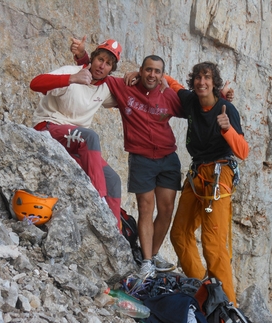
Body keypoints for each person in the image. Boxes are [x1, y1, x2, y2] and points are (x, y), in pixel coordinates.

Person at [71, 36, 184, 277]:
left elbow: (195, 106)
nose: (152, 75)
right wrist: (81, 55)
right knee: (146, 208)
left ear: (163, 75)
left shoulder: (169, 95)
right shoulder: (124, 87)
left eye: (157, 72)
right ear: (140, 71)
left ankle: (152, 256)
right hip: (142, 158)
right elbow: (95, 73)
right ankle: (146, 261)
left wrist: (223, 99)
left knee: (166, 210)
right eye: (148, 70)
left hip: (168, 158)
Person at [164, 62, 249, 305]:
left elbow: (243, 151)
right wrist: (138, 74)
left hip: (220, 172)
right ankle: (205, 292)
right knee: (179, 234)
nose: (202, 82)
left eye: (207, 78)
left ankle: (226, 309)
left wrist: (227, 130)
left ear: (215, 82)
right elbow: (170, 82)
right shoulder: (190, 101)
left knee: (213, 246)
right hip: (198, 170)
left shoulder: (226, 108)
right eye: (198, 77)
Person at [30, 39, 123, 231]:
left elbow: (128, 96)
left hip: (74, 140)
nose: (102, 65)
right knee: (89, 136)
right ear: (93, 58)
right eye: (100, 59)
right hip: (48, 126)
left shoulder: (104, 88)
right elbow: (35, 83)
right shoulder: (71, 72)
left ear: (111, 69)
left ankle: (114, 229)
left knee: (113, 179)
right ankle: (99, 202)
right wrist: (71, 79)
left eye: (108, 64)